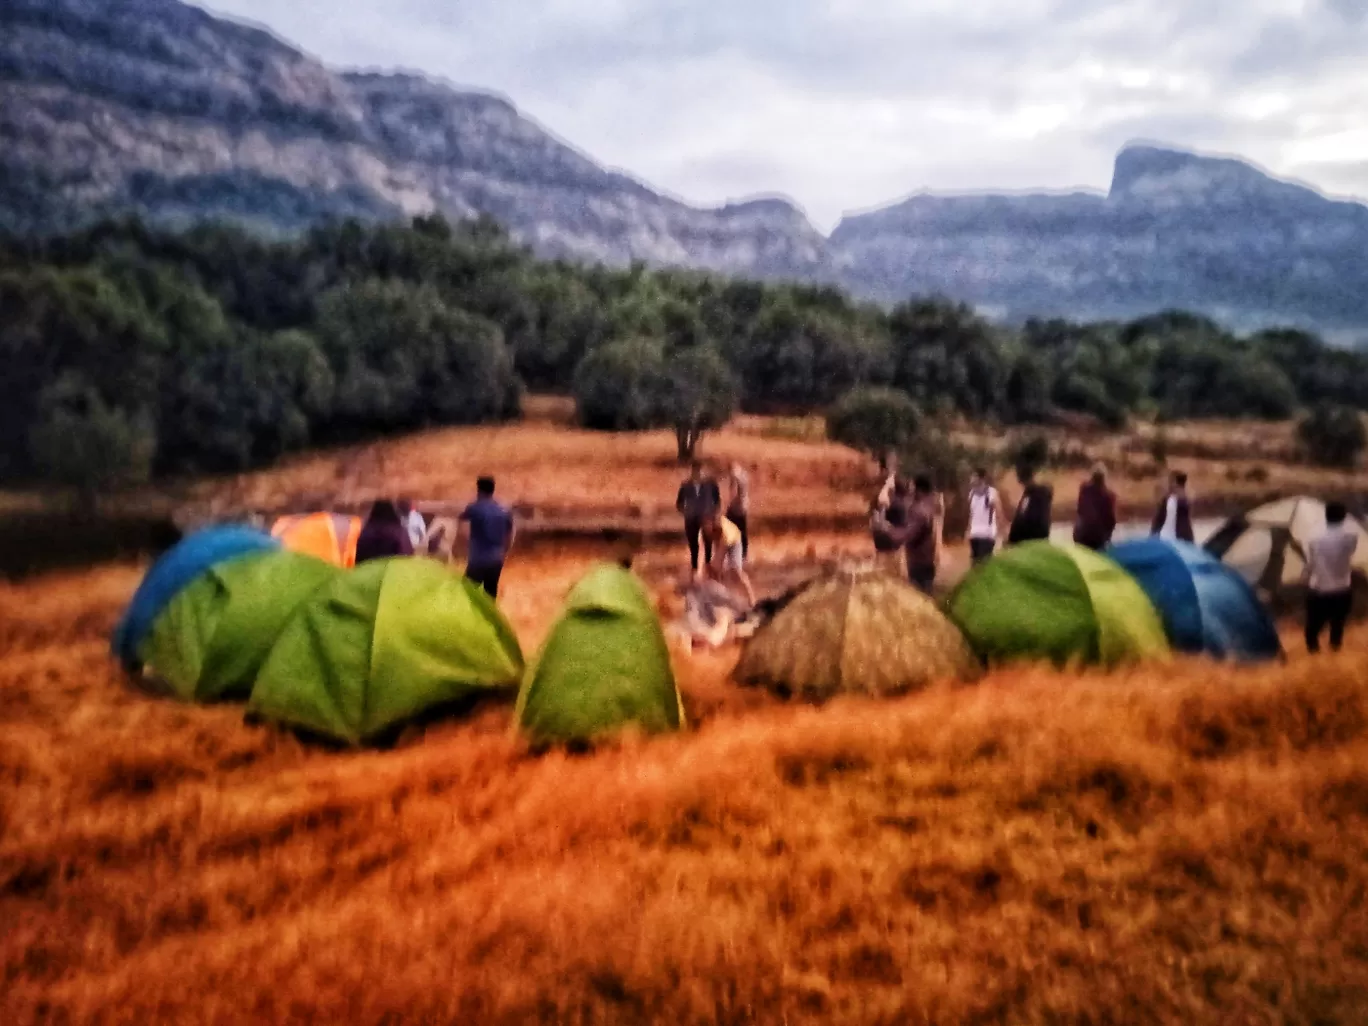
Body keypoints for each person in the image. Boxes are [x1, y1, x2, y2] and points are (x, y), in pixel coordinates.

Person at [1304, 501, 1358, 653]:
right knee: (1337, 626)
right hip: (1342, 588)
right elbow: (1351, 551)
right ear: (1343, 517)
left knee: (1312, 629)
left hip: (1319, 588)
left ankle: (1314, 658)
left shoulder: (1314, 536)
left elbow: (1311, 561)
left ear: (1326, 515)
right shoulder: (1351, 536)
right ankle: (1334, 655)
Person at [459, 476, 515, 599]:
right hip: (496, 559)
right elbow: (510, 536)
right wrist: (503, 553)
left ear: (479, 490)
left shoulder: (474, 508)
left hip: (478, 559)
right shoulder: (504, 510)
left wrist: (466, 546)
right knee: (490, 594)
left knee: (466, 593)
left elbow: (462, 526)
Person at [676, 461, 722, 576]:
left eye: (700, 470)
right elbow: (679, 502)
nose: (697, 473)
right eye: (695, 470)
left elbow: (717, 501)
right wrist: (685, 512)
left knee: (708, 543)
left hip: (706, 517)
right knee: (693, 544)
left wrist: (714, 514)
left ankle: (708, 566)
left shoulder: (710, 484)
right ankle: (694, 567)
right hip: (691, 518)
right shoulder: (686, 485)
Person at [705, 510, 756, 608]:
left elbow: (719, 559)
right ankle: (723, 600)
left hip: (734, 541)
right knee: (717, 572)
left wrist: (715, 567)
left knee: (735, 571)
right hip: (719, 541)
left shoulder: (725, 533)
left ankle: (752, 600)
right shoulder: (705, 526)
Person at [901, 476, 939, 595]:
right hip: (927, 559)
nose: (910, 490)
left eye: (912, 487)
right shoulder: (929, 505)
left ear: (919, 490)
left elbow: (909, 535)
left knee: (919, 596)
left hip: (918, 561)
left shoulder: (919, 510)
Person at [1073, 463, 1118, 551]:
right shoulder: (1109, 495)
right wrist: (1108, 538)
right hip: (1098, 538)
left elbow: (1080, 510)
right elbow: (1111, 521)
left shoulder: (1084, 489)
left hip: (1081, 536)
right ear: (1104, 478)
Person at [355, 499, 414, 564]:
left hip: (367, 570)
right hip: (393, 570)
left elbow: (358, 557)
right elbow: (407, 556)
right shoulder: (399, 532)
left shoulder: (366, 532)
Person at [966, 467, 1004, 564]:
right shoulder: (972, 494)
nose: (971, 479)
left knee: (984, 564)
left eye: (974, 476)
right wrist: (968, 530)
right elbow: (972, 514)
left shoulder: (991, 492)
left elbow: (999, 512)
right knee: (974, 563)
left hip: (987, 534)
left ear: (981, 478)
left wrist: (1000, 534)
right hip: (975, 534)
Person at [1007, 465, 1053, 545]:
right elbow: (1020, 518)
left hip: (1033, 541)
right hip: (1023, 541)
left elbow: (1040, 521)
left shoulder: (1040, 494)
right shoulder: (1027, 494)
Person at [1152, 471, 1194, 542]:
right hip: (1164, 538)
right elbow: (1159, 519)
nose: (1169, 484)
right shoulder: (1167, 500)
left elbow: (1185, 525)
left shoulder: (1183, 501)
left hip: (1178, 540)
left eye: (1171, 481)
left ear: (1175, 483)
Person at [726, 462, 752, 560]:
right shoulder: (744, 475)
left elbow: (734, 493)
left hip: (735, 508)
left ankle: (731, 552)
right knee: (743, 531)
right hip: (743, 507)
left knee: (730, 530)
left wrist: (729, 505)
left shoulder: (735, 477)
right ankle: (744, 553)